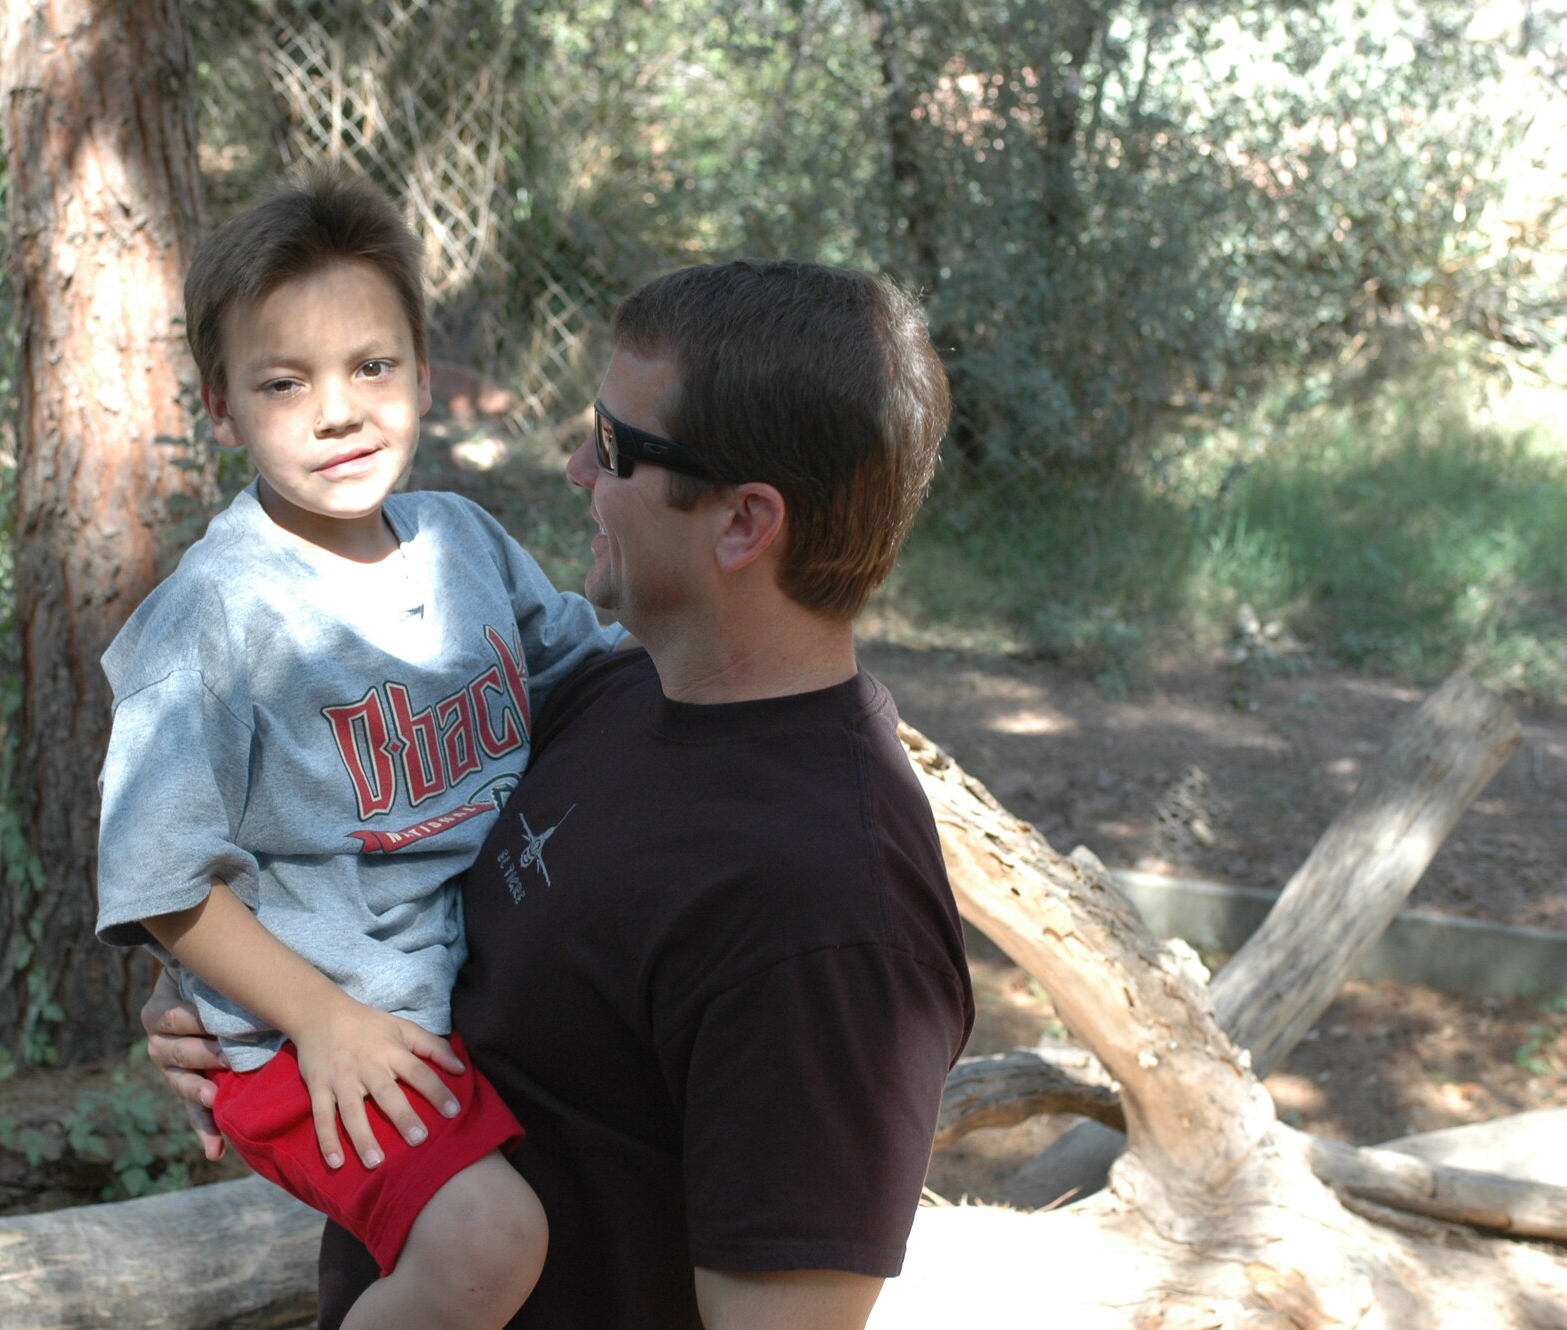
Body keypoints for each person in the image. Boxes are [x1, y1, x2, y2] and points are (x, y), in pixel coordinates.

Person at [146, 258, 975, 1329]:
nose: (579, 465)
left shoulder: (825, 914)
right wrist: (238, 999)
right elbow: (370, 869)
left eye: (618, 446)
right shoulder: (607, 693)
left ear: (741, 522)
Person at [95, 171, 622, 1330]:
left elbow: (599, 670)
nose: (338, 410)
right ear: (218, 404)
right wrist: (320, 1019)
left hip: (436, 1001)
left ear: (425, 374)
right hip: (307, 1030)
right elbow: (155, 880)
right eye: (284, 383)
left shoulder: (464, 543)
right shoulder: (214, 620)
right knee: (489, 1242)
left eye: (371, 366)